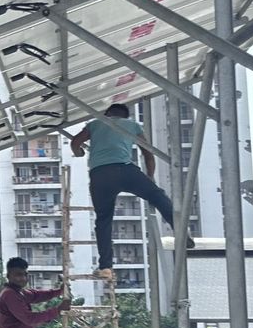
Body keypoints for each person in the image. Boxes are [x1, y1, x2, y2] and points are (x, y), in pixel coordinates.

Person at [70, 103, 176, 280]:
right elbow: (148, 153)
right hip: (125, 170)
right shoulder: (133, 125)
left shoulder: (95, 124)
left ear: (107, 114)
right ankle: (179, 229)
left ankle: (105, 266)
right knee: (157, 195)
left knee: (103, 220)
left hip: (100, 175)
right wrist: (149, 178)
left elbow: (75, 142)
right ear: (125, 116)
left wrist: (79, 152)